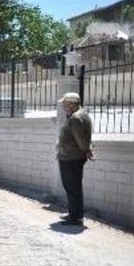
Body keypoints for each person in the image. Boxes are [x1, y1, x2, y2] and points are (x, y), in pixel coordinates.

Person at [57, 92, 94, 226]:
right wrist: (87, 149)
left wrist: (87, 149)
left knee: (73, 188)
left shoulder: (75, 118)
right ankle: (74, 214)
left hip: (71, 158)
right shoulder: (81, 114)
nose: (63, 106)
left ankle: (76, 217)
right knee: (72, 187)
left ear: (71, 104)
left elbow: (81, 141)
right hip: (72, 157)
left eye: (64, 103)